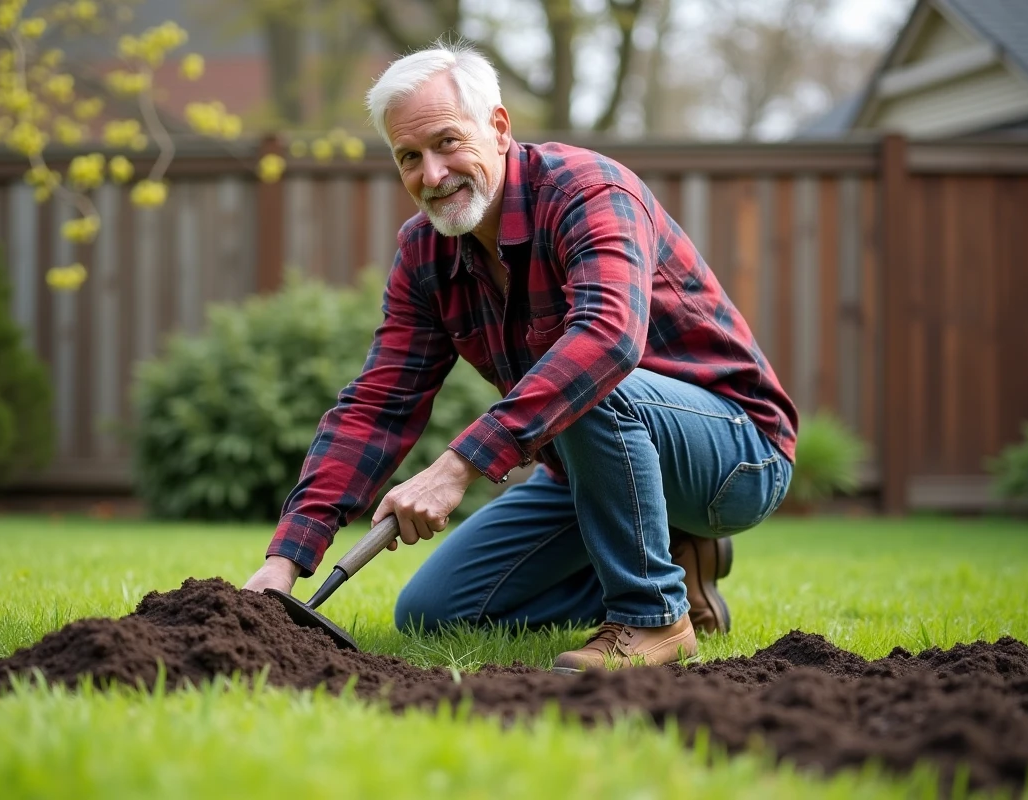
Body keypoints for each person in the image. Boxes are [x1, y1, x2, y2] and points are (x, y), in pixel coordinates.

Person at [244, 40, 797, 673]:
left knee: (590, 377)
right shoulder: (426, 253)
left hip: (737, 452)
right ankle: (673, 557)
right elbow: (378, 405)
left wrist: (456, 467)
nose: (432, 175)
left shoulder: (589, 191)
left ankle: (654, 618)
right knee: (435, 610)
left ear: (499, 127)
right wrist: (284, 562)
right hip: (594, 464)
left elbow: (608, 339)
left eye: (448, 142)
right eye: (408, 157)